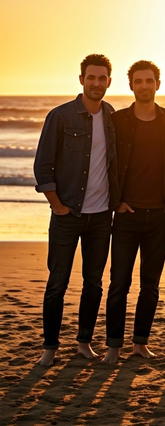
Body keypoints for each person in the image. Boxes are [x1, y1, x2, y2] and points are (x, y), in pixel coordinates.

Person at [34, 54, 119, 366]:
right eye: (91, 78)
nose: (96, 83)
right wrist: (57, 206)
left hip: (100, 218)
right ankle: (50, 348)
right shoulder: (61, 116)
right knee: (58, 282)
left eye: (102, 78)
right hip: (67, 214)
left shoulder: (112, 117)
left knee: (93, 283)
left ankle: (84, 342)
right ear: (82, 79)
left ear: (109, 82)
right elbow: (43, 166)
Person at [102, 60, 165, 364]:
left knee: (150, 284)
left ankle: (140, 343)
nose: (144, 86)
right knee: (119, 283)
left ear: (157, 84)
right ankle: (113, 346)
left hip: (160, 216)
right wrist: (115, 202)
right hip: (126, 214)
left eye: (149, 81)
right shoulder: (118, 120)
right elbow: (106, 163)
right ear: (131, 85)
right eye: (138, 81)